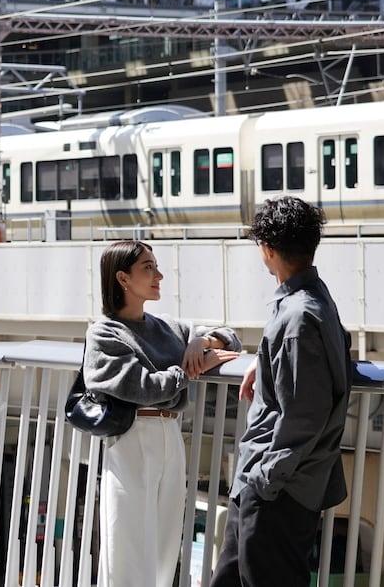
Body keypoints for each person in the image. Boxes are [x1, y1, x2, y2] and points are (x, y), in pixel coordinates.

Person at [209, 196, 353, 587]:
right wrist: (265, 359)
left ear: (267, 249)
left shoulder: (297, 317)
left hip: (277, 488)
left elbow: (306, 414)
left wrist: (266, 478)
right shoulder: (313, 300)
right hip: (266, 483)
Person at [83, 240, 242, 587]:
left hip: (171, 434)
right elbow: (141, 386)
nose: (159, 275)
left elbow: (232, 339)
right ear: (123, 278)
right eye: (148, 268)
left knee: (165, 549)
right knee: (126, 547)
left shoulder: (169, 327)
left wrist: (202, 342)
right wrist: (188, 371)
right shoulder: (104, 333)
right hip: (132, 436)